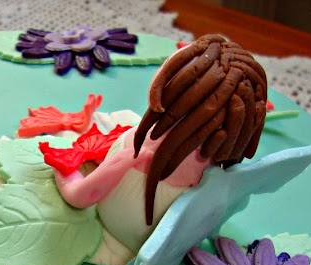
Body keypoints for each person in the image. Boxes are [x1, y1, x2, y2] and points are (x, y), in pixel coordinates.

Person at [53, 34, 269, 253]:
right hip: (176, 248)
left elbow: (82, 196)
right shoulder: (217, 174)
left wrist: (65, 171)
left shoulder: (138, 153)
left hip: (120, 240)